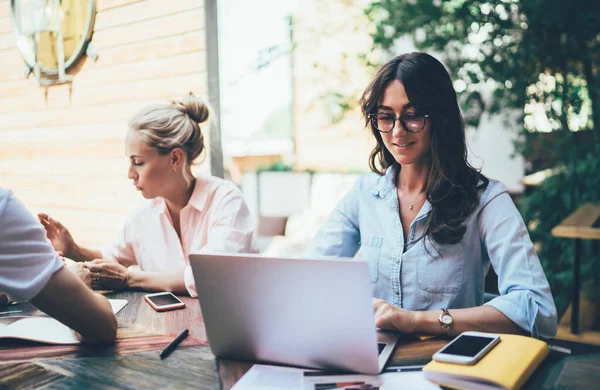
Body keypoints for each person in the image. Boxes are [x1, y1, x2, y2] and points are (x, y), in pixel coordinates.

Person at [307, 53, 557, 338]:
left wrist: (418, 321)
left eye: (412, 116)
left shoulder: (486, 200)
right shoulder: (365, 194)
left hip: (446, 368)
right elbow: (309, 278)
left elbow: (538, 309)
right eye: (386, 117)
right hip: (371, 366)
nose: (397, 131)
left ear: (440, 117)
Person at [39, 93, 256, 297]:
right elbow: (112, 261)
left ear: (175, 159)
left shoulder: (225, 201)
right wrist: (73, 249)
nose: (130, 174)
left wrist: (131, 279)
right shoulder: (143, 215)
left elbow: (212, 277)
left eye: (138, 162)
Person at [0, 189, 117, 344]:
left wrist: (33, 271)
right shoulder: (4, 209)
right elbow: (102, 328)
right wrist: (76, 281)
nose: (131, 175)